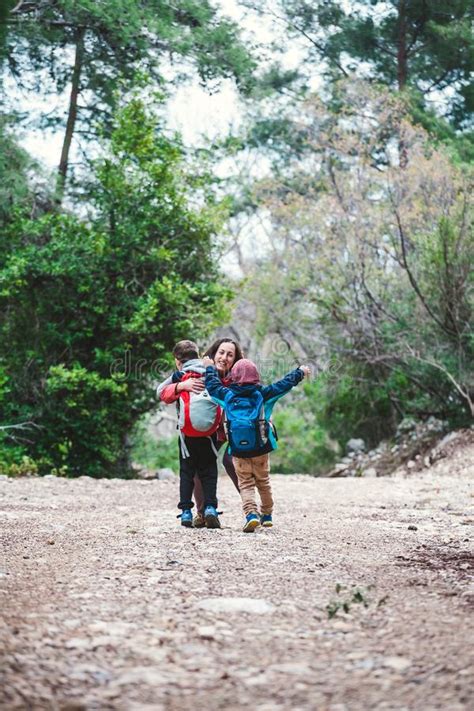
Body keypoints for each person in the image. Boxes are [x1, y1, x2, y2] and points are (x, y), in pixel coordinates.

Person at [204, 357, 310, 532]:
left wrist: (209, 368)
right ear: (256, 377)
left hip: (238, 451)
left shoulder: (227, 395)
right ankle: (267, 515)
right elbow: (284, 384)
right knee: (263, 482)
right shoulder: (264, 394)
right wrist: (300, 372)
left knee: (245, 484)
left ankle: (251, 515)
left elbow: (212, 387)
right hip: (261, 448)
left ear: (233, 377)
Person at [158, 337, 244, 528]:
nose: (224, 358)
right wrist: (181, 386)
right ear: (212, 355)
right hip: (210, 431)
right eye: (221, 352)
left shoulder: (233, 377)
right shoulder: (204, 373)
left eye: (230, 355)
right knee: (205, 470)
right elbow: (164, 392)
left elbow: (250, 395)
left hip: (227, 430)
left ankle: (251, 509)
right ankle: (205, 511)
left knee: (224, 463)